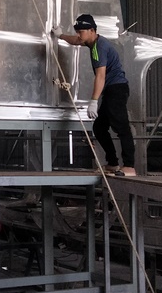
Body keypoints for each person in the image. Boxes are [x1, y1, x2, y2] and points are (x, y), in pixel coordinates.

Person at [52, 14, 136, 176]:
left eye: (81, 32)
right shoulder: (91, 41)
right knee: (99, 127)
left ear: (92, 30)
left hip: (116, 89)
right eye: (77, 31)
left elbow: (100, 76)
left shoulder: (99, 47)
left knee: (121, 127)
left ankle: (129, 166)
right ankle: (112, 163)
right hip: (111, 89)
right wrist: (60, 35)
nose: (78, 35)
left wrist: (94, 101)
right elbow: (76, 41)